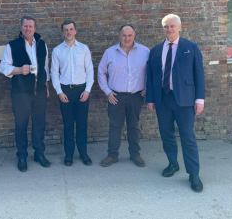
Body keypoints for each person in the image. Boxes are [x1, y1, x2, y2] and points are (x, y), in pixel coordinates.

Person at [146, 14, 205, 192]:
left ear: (180, 27)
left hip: (185, 100)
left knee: (187, 137)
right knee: (167, 135)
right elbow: (150, 76)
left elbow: (199, 75)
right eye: (166, 26)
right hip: (162, 99)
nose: (169, 29)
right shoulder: (156, 50)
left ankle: (193, 174)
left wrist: (199, 99)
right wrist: (150, 98)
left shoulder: (191, 47)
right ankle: (173, 163)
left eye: (172, 26)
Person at [0, 16, 50, 172]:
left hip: (39, 91)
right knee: (21, 125)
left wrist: (46, 84)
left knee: (39, 124)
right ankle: (22, 156)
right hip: (21, 92)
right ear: (21, 28)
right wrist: (19, 70)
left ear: (35, 28)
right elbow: (3, 67)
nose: (28, 29)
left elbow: (45, 67)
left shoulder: (42, 45)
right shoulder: (12, 46)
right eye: (25, 26)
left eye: (31, 26)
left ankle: (39, 153)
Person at [98, 25, 150, 167]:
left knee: (134, 126)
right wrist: (107, 91)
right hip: (116, 96)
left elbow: (152, 71)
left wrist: (148, 87)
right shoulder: (110, 52)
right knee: (115, 126)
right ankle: (112, 155)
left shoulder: (145, 52)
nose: (127, 38)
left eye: (130, 35)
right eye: (124, 35)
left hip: (136, 96)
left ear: (134, 36)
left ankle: (135, 154)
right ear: (119, 36)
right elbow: (101, 72)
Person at [51, 19, 94, 166]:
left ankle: (83, 153)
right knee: (68, 124)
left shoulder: (84, 49)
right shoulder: (57, 50)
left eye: (71, 29)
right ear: (62, 32)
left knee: (82, 124)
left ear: (75, 31)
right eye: (66, 30)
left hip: (82, 90)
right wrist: (59, 92)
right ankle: (69, 154)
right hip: (65, 91)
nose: (69, 32)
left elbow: (90, 71)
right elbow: (54, 73)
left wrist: (87, 90)